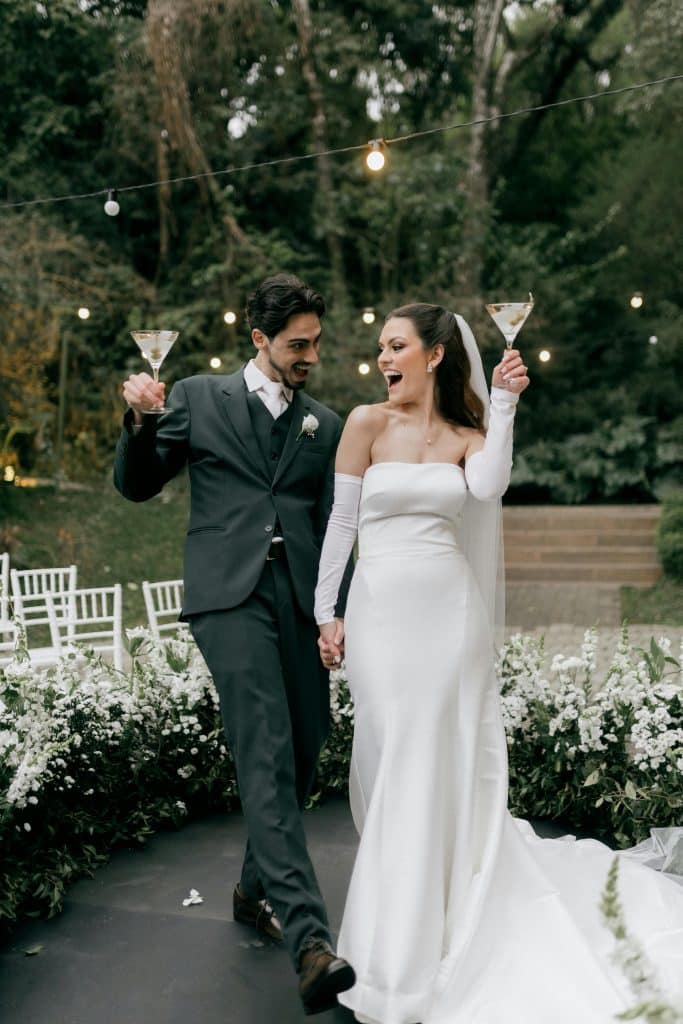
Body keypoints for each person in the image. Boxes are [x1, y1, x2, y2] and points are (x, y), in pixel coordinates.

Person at [313, 303, 683, 1023]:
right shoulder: (363, 424)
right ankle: (414, 903)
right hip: (380, 616)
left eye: (395, 346)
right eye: (379, 347)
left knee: (437, 757)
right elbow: (342, 522)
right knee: (389, 759)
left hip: (449, 618)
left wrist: (507, 404)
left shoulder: (466, 436)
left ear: (434, 355)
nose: (381, 358)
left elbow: (487, 489)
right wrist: (327, 609)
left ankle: (412, 945)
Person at [113, 273, 355, 1016]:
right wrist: (140, 423)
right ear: (259, 339)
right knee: (263, 743)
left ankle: (254, 890)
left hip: (299, 601)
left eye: (316, 341)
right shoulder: (196, 395)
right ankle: (309, 942)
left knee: (307, 744)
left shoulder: (327, 423)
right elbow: (139, 484)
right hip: (228, 596)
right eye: (296, 344)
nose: (310, 354)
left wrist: (334, 612)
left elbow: (336, 527)